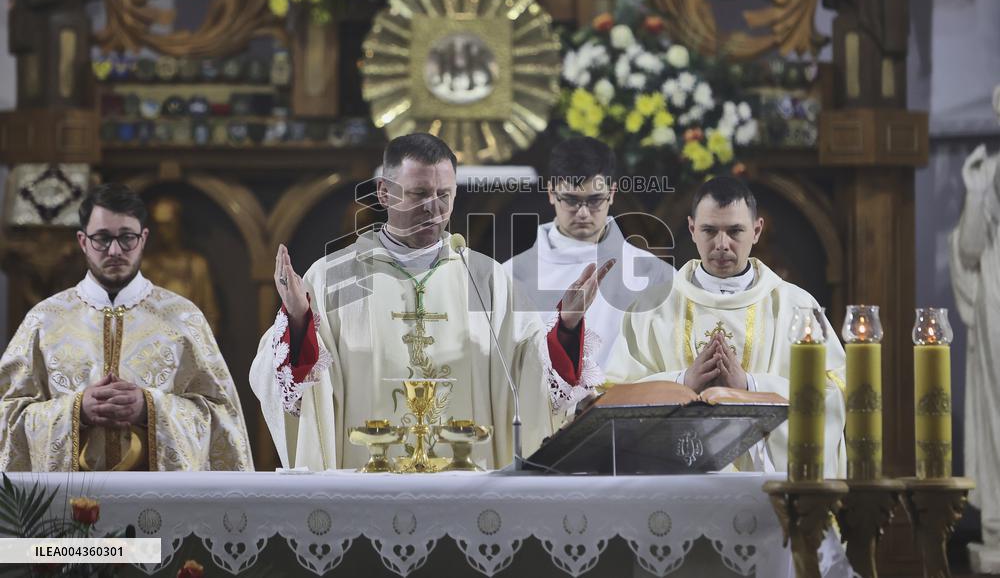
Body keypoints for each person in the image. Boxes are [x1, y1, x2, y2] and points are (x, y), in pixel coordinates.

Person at [250, 133, 570, 471]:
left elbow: (532, 372)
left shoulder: (487, 279)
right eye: (419, 193)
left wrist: (569, 326)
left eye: (444, 195)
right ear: (384, 193)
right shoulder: (334, 277)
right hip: (366, 483)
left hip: (464, 483)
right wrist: (299, 320)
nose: (433, 207)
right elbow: (283, 385)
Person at [557, 176, 847, 476]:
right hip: (674, 484)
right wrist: (682, 382)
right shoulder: (651, 306)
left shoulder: (796, 306)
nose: (722, 245)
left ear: (757, 230)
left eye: (735, 231)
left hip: (766, 490)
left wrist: (749, 387)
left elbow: (832, 395)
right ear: (692, 229)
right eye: (709, 230)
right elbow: (615, 396)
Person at [0, 183, 253, 471]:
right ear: (83, 241)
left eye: (126, 238)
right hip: (72, 497)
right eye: (102, 238)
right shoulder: (44, 320)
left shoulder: (184, 318)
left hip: (157, 497)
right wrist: (76, 411)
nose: (115, 250)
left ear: (143, 239)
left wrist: (150, 408)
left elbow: (222, 417)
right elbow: (7, 415)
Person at [505, 138, 674, 378]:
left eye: (595, 200)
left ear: (611, 193)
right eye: (571, 200)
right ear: (551, 193)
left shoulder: (655, 274)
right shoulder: (510, 276)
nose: (583, 213)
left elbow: (670, 360)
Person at [950, 142, 1000, 567]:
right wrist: (977, 191)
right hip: (995, 296)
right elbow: (968, 249)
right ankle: (997, 523)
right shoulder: (987, 171)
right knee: (995, 408)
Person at [142, 196, 222, 333]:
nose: (163, 231)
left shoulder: (197, 265)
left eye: (168, 225)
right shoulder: (146, 266)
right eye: (159, 225)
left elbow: (210, 315)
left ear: (178, 224)